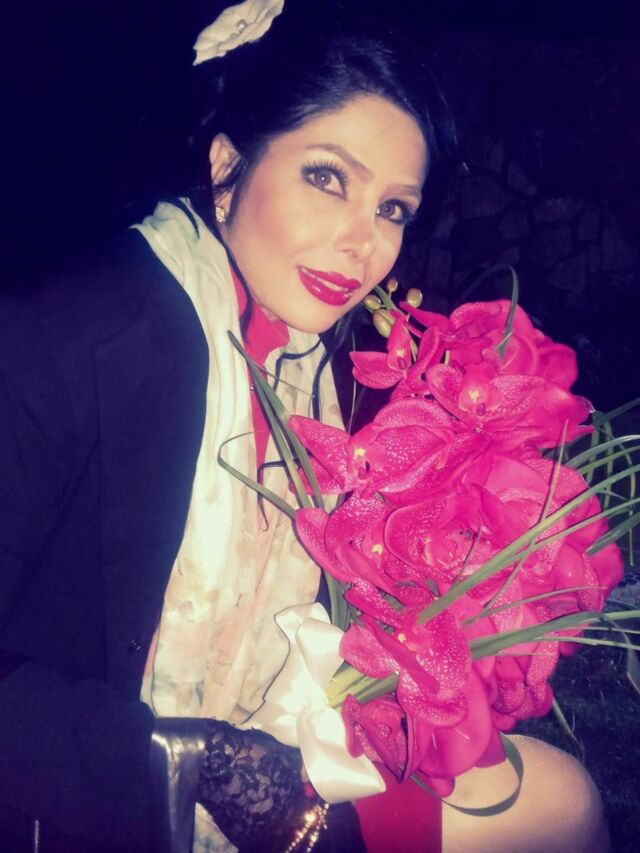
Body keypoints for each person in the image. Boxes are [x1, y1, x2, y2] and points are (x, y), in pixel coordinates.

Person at [0, 1, 608, 851]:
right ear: (226, 166)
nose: (363, 243)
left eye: (393, 208)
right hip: (102, 804)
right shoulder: (80, 333)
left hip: (284, 756)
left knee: (561, 799)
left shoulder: (305, 366)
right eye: (328, 178)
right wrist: (196, 763)